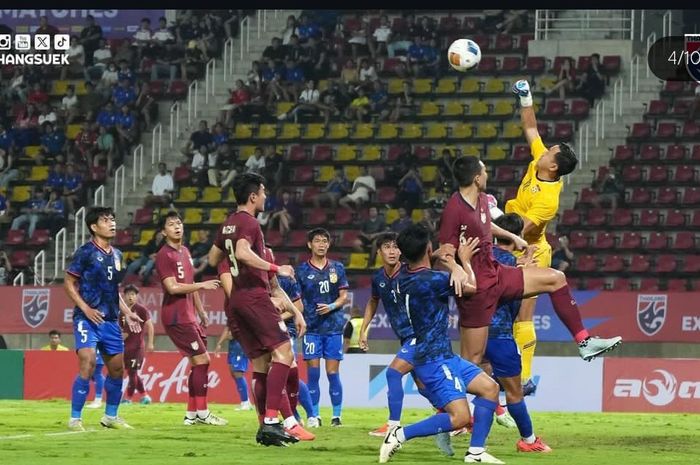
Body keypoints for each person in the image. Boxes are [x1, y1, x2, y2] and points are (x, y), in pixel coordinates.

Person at [437, 124, 622, 375]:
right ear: (477, 178)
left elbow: (487, 225)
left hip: (496, 272)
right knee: (473, 358)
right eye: (485, 171)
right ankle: (451, 405)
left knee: (556, 279)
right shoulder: (454, 209)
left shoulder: (482, 201)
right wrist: (456, 269)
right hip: (476, 284)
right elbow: (442, 251)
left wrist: (513, 236)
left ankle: (584, 342)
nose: (488, 174)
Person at [504, 79, 621, 387]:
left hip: (529, 249)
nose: (543, 150)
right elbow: (532, 131)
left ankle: (524, 378)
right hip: (508, 245)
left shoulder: (547, 200)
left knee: (523, 317)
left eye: (549, 152)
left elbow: (519, 231)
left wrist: (487, 217)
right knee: (506, 319)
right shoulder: (540, 161)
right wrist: (526, 99)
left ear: (553, 167)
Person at [379, 224, 504, 464]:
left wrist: (436, 256)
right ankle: (399, 435)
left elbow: (423, 263)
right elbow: (471, 288)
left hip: (443, 355)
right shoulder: (432, 280)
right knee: (459, 418)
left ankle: (476, 453)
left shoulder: (404, 275)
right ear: (427, 248)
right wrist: (461, 262)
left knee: (490, 389)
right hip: (434, 359)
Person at [206, 172, 305, 447]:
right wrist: (276, 268)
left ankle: (265, 425)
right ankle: (273, 421)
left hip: (236, 298)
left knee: (262, 364)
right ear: (252, 196)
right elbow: (241, 252)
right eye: (262, 192)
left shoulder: (228, 223)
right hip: (253, 296)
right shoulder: (249, 222)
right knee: (284, 353)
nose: (265, 196)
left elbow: (213, 257)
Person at [64, 206, 143, 431]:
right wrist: (86, 309)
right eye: (106, 220)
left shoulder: (117, 255)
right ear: (94, 226)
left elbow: (112, 289)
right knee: (87, 362)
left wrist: (128, 312)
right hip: (87, 319)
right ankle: (75, 418)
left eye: (113, 219)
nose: (112, 223)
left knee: (117, 369)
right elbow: (68, 283)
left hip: (110, 321)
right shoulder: (85, 252)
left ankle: (110, 416)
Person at [486, 213, 552, 452]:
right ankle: (529, 440)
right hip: (501, 335)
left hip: (474, 333)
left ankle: (474, 445)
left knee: (484, 390)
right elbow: (521, 296)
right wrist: (529, 267)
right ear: (517, 237)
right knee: (514, 393)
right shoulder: (514, 266)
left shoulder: (480, 259)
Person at [154, 211, 227, 426]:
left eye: (179, 223)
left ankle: (191, 414)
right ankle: (203, 413)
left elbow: (189, 281)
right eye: (171, 224)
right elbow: (173, 287)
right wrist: (203, 285)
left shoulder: (185, 251)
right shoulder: (163, 255)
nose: (177, 227)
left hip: (189, 316)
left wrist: (201, 311)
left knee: (198, 364)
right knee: (203, 361)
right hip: (176, 316)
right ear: (163, 231)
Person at [295, 228, 349, 427]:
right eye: (317, 241)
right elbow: (296, 299)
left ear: (329, 244)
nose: (321, 244)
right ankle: (314, 416)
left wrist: (332, 306)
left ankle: (336, 416)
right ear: (310, 244)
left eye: (325, 241)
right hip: (311, 329)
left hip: (334, 327)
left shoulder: (337, 268)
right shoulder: (301, 270)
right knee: (313, 374)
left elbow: (344, 296)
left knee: (333, 373)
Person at [120, 284, 154, 405]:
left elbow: (150, 326)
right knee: (130, 372)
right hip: (125, 348)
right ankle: (145, 396)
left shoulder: (141, 309)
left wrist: (150, 343)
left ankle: (128, 398)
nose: (130, 297)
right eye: (128, 294)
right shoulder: (121, 311)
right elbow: (121, 329)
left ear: (137, 296)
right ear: (124, 296)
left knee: (133, 372)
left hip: (137, 347)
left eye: (133, 294)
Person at [215, 326, 253, 411]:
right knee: (233, 372)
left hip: (240, 345)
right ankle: (246, 401)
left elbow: (232, 334)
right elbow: (227, 328)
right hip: (233, 345)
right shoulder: (231, 315)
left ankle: (245, 402)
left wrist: (231, 335)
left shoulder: (242, 315)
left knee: (238, 373)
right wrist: (219, 343)